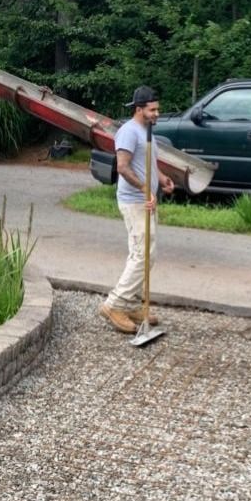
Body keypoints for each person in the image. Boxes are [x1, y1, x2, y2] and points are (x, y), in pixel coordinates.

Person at [99, 85, 175, 334]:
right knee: (143, 255)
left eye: (157, 109)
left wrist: (161, 179)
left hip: (146, 200)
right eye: (152, 110)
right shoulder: (128, 132)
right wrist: (144, 189)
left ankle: (131, 304)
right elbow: (123, 166)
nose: (157, 113)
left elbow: (148, 163)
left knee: (144, 255)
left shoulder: (146, 131)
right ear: (139, 109)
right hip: (134, 201)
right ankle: (115, 304)